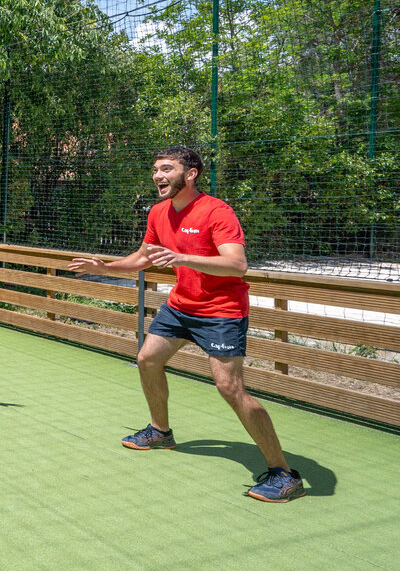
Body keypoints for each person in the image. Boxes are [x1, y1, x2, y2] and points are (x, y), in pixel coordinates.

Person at [67, 146, 305, 503]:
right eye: (155, 170)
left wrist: (182, 257)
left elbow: (236, 264)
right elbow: (142, 257)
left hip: (222, 310)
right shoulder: (159, 212)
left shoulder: (217, 212)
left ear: (190, 174)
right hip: (181, 305)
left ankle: (284, 474)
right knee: (148, 359)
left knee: (229, 388)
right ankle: (161, 432)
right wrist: (104, 268)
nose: (158, 176)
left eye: (166, 169)